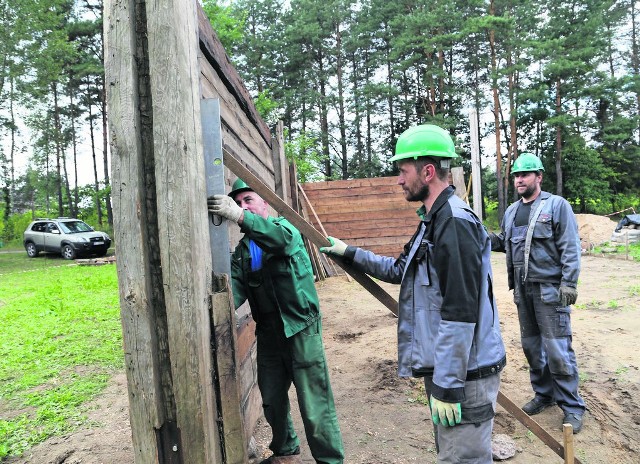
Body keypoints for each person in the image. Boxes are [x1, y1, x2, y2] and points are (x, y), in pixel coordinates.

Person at [320, 124, 506, 464]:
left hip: (465, 373)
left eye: (404, 171)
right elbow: (398, 271)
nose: (399, 180)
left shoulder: (454, 223)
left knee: (462, 459)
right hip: (448, 367)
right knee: (451, 452)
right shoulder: (432, 221)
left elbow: (461, 310)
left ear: (428, 171)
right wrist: (348, 252)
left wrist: (449, 385)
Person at [208, 179, 344, 464]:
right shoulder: (244, 252)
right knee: (271, 398)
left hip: (300, 329)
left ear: (265, 203)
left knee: (314, 404)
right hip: (269, 334)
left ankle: (330, 460)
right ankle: (286, 451)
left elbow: (280, 242)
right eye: (239, 203)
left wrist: (240, 216)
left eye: (249, 200)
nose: (243, 206)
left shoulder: (286, 229)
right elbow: (235, 291)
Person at [490, 152, 585, 433]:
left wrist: (569, 283)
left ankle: (572, 407)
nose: (520, 179)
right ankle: (545, 394)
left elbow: (570, 246)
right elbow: (502, 243)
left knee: (557, 350)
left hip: (549, 291)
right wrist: (476, 234)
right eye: (517, 175)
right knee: (532, 347)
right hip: (522, 290)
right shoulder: (510, 211)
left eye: (525, 174)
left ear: (539, 177)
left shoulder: (556, 206)